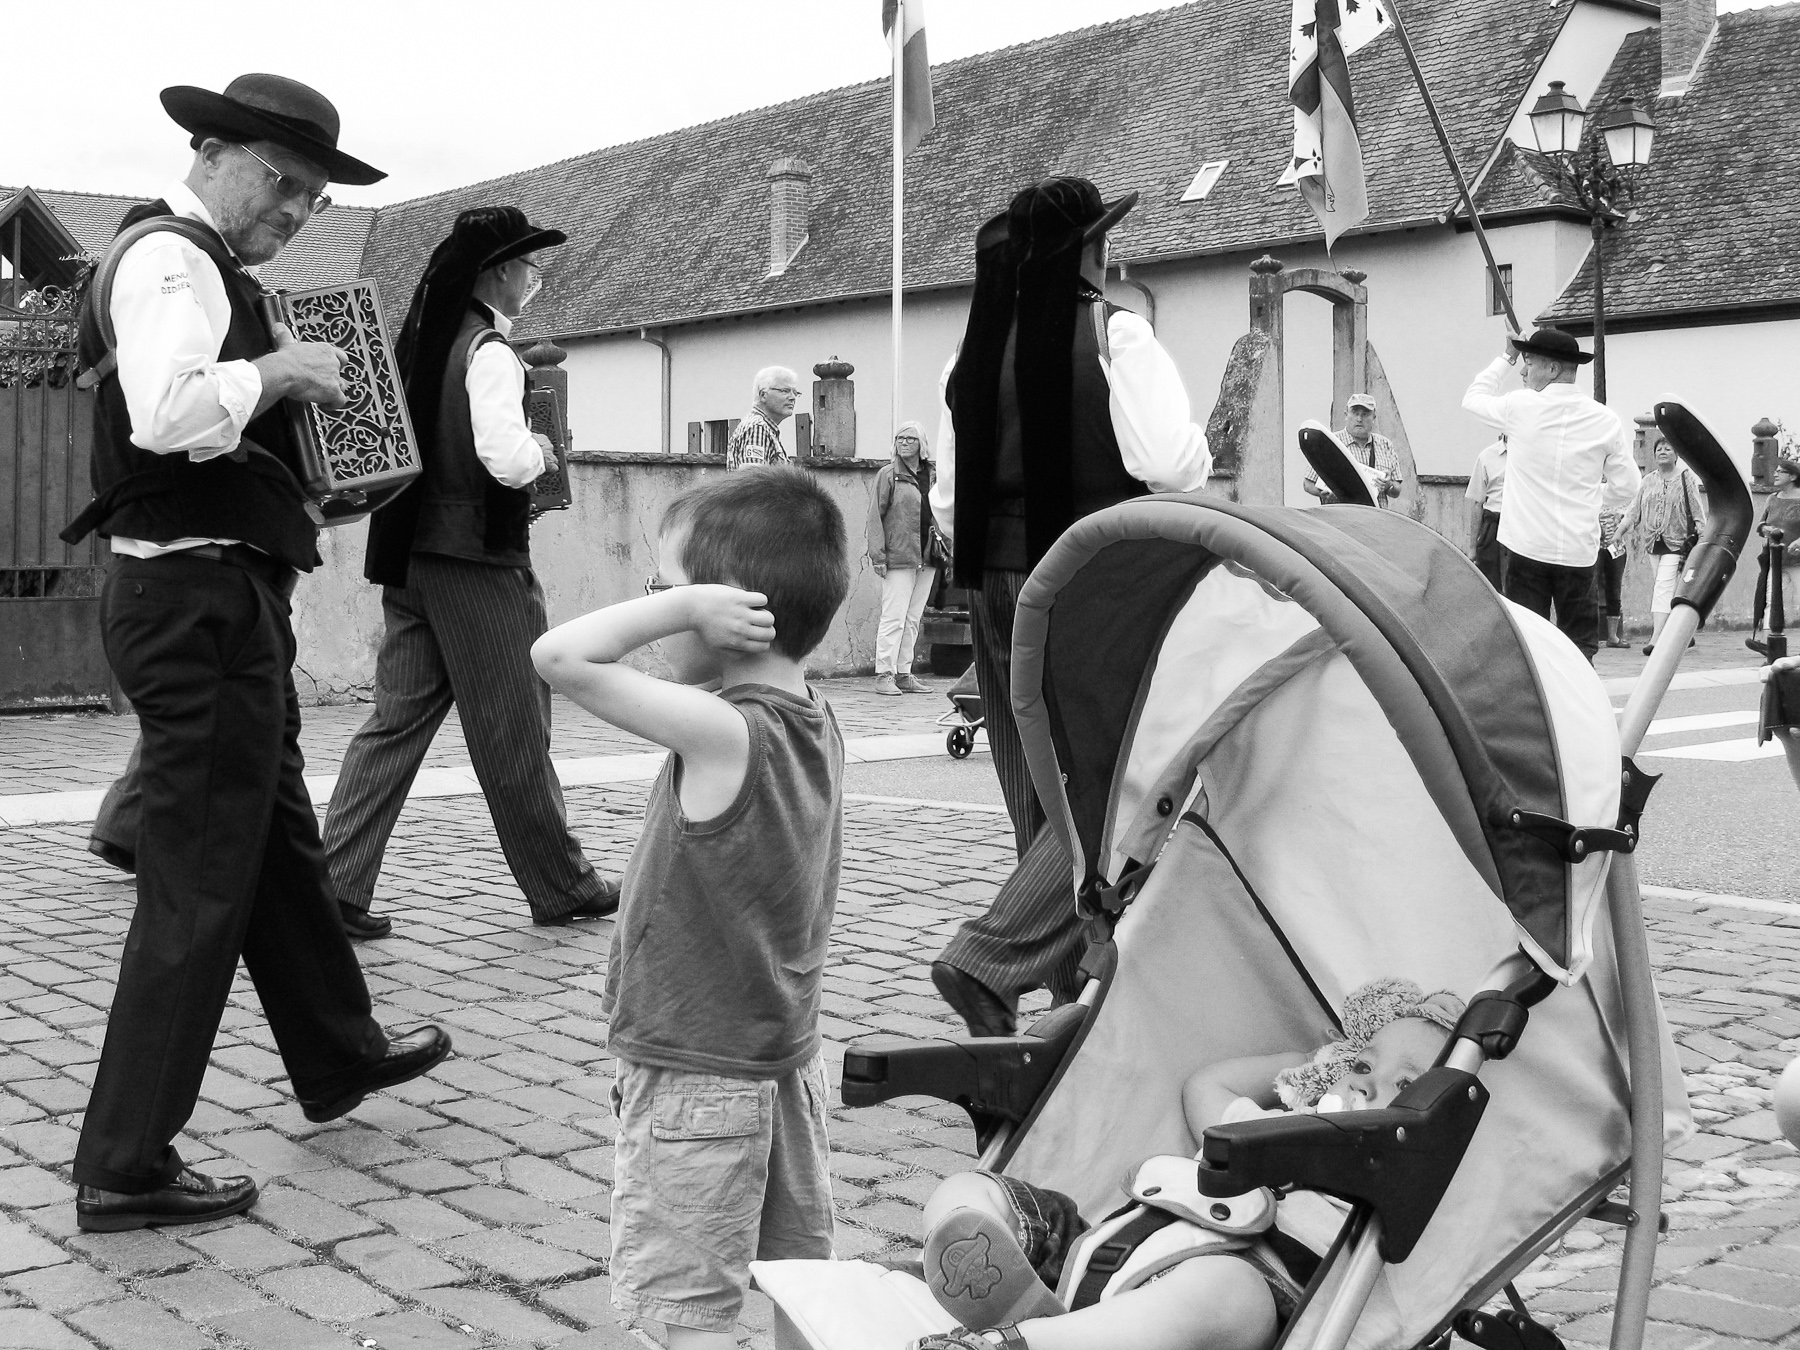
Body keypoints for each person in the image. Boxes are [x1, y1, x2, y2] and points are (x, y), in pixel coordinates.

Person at [56, 74, 450, 1233]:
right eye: (283, 185)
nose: (292, 214)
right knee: (200, 876)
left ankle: (338, 1051)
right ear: (213, 151)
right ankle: (125, 1160)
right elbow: (167, 413)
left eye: (311, 200)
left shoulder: (210, 270)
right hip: (192, 604)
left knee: (274, 835)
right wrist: (279, 373)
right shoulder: (170, 259)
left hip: (220, 595)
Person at [531, 467, 851, 1349]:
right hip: (782, 1062)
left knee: (683, 1312)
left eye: (664, 589)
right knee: (802, 1284)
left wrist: (685, 607)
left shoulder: (727, 732)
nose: (656, 605)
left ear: (728, 609)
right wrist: (693, 599)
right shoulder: (815, 719)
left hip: (696, 1067)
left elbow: (556, 657)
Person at [928, 179, 1212, 1038]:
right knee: (1113, 778)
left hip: (989, 578)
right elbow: (1171, 463)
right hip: (1088, 579)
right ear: (1091, 249)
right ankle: (992, 955)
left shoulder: (967, 353)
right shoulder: (1117, 332)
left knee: (1036, 782)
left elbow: (948, 497)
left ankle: (1068, 975)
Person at [316, 208, 618, 937]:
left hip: (412, 557)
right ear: (499, 272)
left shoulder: (425, 342)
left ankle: (333, 884)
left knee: (394, 723)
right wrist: (544, 453)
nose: (535, 280)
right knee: (513, 725)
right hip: (476, 562)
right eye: (530, 267)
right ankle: (562, 884)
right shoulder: (487, 349)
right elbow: (505, 457)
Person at [907, 980, 1464, 1350]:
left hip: (1217, 1311)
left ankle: (1019, 1344)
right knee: (974, 1189)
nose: (1370, 1079)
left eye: (1406, 1083)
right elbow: (1206, 1086)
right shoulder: (1261, 1128)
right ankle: (994, 1279)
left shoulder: (1398, 1198)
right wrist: (1306, 1067)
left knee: (1230, 1294)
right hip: (1098, 1253)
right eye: (1364, 1062)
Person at [1461, 328, 1638, 662]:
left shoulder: (1520, 406)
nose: (1524, 372)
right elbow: (1628, 487)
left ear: (1553, 369)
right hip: (1577, 550)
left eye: (1530, 363)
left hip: (1527, 548)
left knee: (1528, 643)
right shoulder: (1605, 420)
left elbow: (1473, 398)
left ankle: (1538, 706)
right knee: (1579, 646)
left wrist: (1506, 356)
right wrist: (1591, 500)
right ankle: (1577, 704)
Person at [1614, 435, 1708, 656]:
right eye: (1659, 449)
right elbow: (1633, 511)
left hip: (1679, 544)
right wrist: (1619, 532)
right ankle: (1685, 633)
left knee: (1663, 589)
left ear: (1677, 455)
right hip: (1653, 544)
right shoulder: (1648, 480)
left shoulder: (1686, 478)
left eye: (1668, 448)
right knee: (1670, 590)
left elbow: (1697, 511)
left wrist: (1703, 537)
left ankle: (1657, 638)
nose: (1662, 451)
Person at [870, 420, 941, 695]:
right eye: (900, 438)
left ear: (922, 444)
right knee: (893, 616)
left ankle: (904, 672)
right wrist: (878, 555)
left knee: (913, 618)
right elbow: (875, 517)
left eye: (911, 438)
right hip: (898, 555)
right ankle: (883, 674)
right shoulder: (888, 475)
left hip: (928, 555)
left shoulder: (934, 476)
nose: (904, 442)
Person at [1304, 394, 1400, 507]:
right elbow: (1308, 484)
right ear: (1346, 415)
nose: (1359, 419)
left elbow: (1397, 490)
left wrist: (1388, 485)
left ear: (1374, 417)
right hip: (1338, 518)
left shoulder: (1385, 444)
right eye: (1355, 413)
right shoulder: (1329, 443)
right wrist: (1323, 493)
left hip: (1374, 520)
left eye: (1365, 414)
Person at [1748, 457, 1800, 651]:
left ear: (1793, 476)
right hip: (1775, 560)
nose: (1775, 474)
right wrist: (1766, 529)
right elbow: (1761, 524)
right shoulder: (1772, 498)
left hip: (1798, 561)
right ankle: (1769, 642)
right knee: (1772, 599)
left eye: (1781, 471)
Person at [726, 366, 803, 469]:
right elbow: (752, 479)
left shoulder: (765, 428)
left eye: (795, 393)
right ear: (763, 395)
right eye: (785, 391)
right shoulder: (757, 427)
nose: (792, 398)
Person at [1463, 435, 1506, 589]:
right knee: (1490, 585)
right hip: (1493, 526)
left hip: (1521, 527)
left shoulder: (1531, 457)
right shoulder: (1487, 456)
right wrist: (1472, 548)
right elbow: (1477, 503)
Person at [1596, 501, 1631, 649]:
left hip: (1616, 548)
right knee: (1590, 589)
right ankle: (1590, 635)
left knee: (1615, 589)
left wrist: (1622, 523)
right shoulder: (1590, 491)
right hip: (1594, 548)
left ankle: (1613, 636)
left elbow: (1630, 520)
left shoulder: (1622, 495)